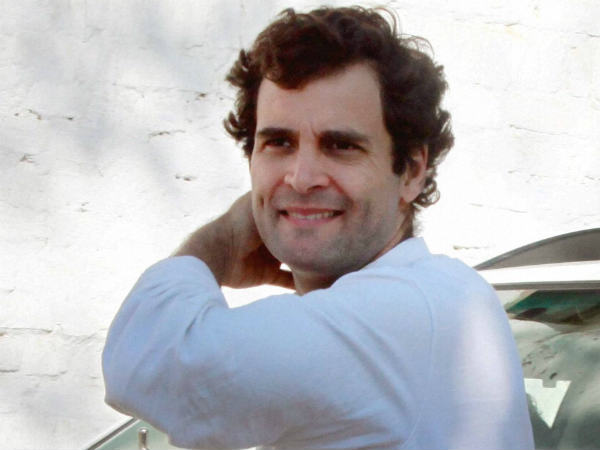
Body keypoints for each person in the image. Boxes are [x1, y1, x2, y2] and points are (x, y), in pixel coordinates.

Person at [103, 6, 534, 450]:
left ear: (411, 170)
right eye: (279, 142)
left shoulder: (406, 312)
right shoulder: (440, 296)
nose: (301, 177)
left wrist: (222, 243)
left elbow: (145, 361)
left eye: (341, 145)